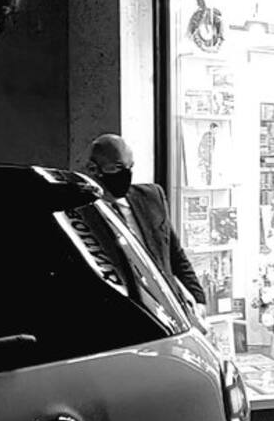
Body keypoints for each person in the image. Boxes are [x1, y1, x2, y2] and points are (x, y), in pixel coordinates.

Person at [85, 133, 206, 311]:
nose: (126, 174)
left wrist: (198, 298)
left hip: (168, 308)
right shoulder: (83, 212)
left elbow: (175, 254)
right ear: (93, 169)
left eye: (130, 166)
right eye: (117, 167)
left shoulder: (151, 198)